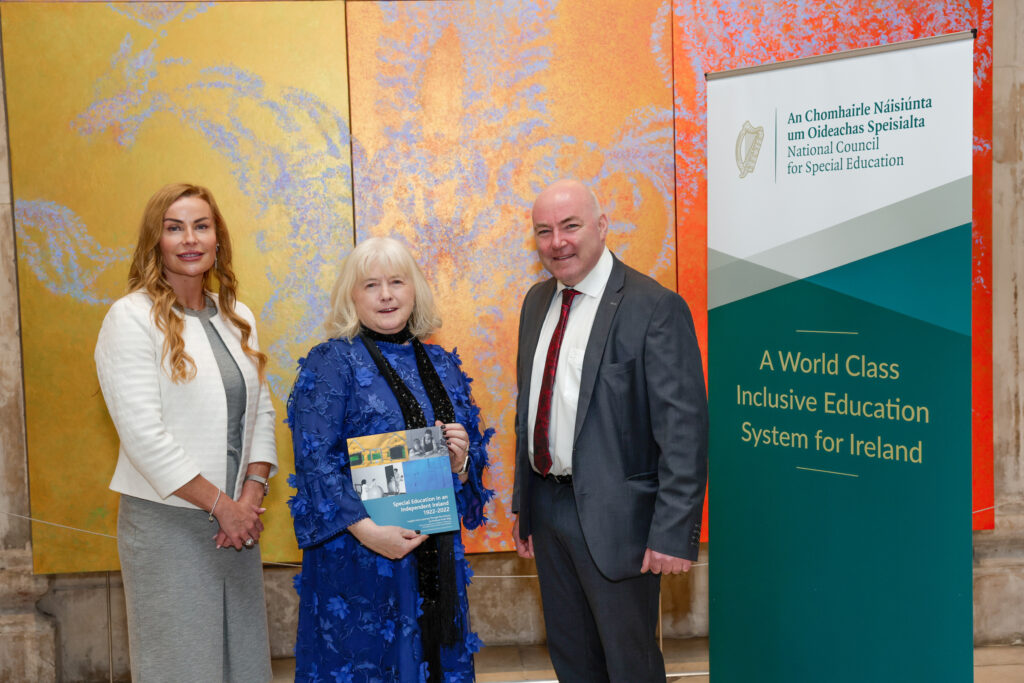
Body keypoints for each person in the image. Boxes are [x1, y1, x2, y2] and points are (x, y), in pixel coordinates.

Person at [511, 179, 709, 683]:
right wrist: (523, 506)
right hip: (549, 511)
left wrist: (673, 532)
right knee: (573, 660)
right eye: (544, 231)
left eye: (571, 226)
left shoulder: (653, 307)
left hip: (622, 523)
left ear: (602, 226)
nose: (557, 242)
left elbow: (683, 432)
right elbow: (530, 408)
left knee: (630, 666)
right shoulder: (536, 303)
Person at [287, 236, 494, 683]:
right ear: (351, 296)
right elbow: (313, 462)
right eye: (371, 285)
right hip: (358, 557)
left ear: (414, 289)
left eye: (397, 282)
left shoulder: (442, 363)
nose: (386, 295)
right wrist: (368, 531)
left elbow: (472, 461)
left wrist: (459, 460)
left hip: (433, 554)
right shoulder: (330, 362)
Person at [94, 183, 277, 682]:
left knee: (243, 665)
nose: (189, 239)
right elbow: (144, 437)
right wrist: (223, 506)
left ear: (218, 238)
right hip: (167, 523)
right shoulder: (129, 318)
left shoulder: (240, 317)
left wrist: (249, 497)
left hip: (236, 525)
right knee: (181, 668)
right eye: (174, 228)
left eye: (201, 225)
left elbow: (260, 414)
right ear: (156, 241)